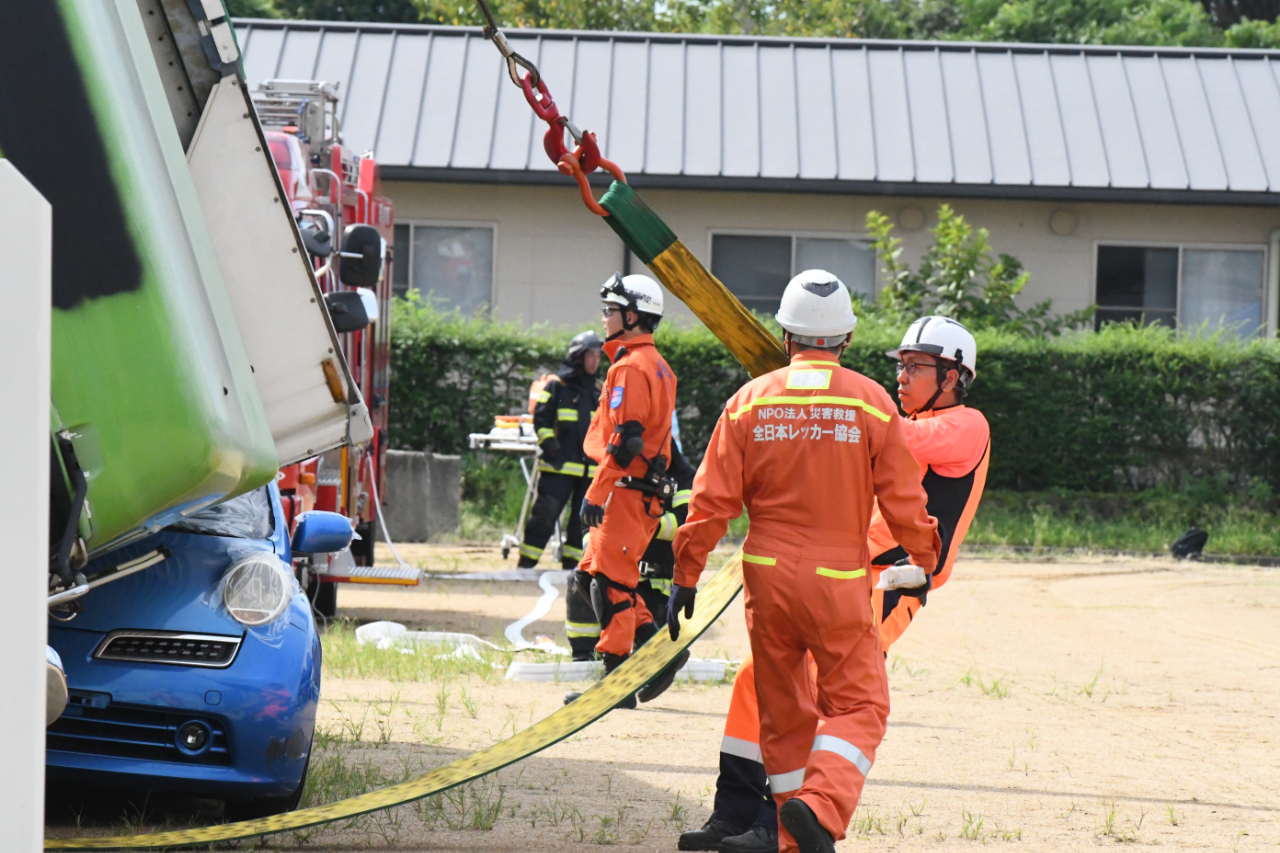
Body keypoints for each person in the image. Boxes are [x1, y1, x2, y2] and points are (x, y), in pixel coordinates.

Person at [680, 316, 991, 853]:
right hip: (844, 573)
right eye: (900, 365)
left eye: (916, 367)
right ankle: (733, 814)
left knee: (825, 693)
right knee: (759, 682)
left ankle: (789, 821)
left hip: (893, 579)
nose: (901, 376)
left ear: (953, 378)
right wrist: (829, 401)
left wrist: (817, 404)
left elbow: (897, 437)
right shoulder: (878, 410)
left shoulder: (968, 424)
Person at [570, 272, 683, 710]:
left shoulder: (631, 367)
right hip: (636, 488)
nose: (604, 317)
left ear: (632, 316)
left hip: (625, 489)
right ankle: (658, 650)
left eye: (610, 310)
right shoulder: (654, 364)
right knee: (590, 576)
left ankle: (615, 687)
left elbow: (627, 439)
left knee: (610, 585)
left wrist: (597, 493)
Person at [564, 412, 697, 663]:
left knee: (628, 615)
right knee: (580, 579)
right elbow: (588, 524)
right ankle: (584, 657)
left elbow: (685, 523)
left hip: (656, 584)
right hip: (616, 574)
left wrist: (636, 526)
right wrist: (601, 554)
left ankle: (651, 657)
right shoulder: (613, 471)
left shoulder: (683, 477)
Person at [517, 331, 605, 571]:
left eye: (598, 356)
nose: (595, 361)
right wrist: (552, 450)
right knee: (545, 516)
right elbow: (541, 420)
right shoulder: (557, 385)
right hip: (559, 467)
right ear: (577, 357)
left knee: (582, 522)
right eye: (590, 356)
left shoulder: (600, 390)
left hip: (590, 471)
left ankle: (571, 568)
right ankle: (526, 565)